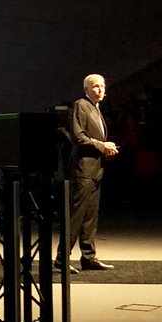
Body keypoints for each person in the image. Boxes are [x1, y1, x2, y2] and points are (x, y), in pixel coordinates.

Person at [56, 74, 119, 273]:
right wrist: (103, 145)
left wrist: (107, 150)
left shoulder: (97, 109)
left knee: (90, 216)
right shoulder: (81, 105)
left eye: (102, 86)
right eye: (95, 86)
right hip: (83, 170)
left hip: (96, 169)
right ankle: (61, 258)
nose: (100, 90)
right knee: (76, 216)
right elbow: (78, 137)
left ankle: (88, 257)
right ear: (86, 89)